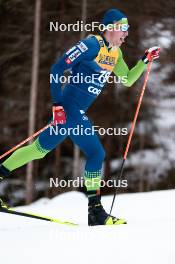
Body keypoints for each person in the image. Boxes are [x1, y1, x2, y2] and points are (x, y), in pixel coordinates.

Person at [0, 9, 160, 225]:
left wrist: (144, 61)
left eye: (128, 29)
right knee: (96, 152)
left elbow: (128, 79)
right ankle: (95, 212)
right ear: (110, 27)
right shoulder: (90, 45)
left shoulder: (116, 54)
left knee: (38, 150)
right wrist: (57, 105)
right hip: (69, 109)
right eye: (123, 28)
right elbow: (57, 68)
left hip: (73, 112)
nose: (126, 34)